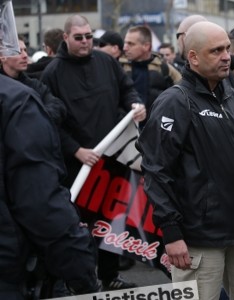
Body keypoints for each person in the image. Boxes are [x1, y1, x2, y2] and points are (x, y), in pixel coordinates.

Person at [137, 21, 234, 300]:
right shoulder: (174, 101)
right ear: (193, 57)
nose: (226, 56)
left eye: (227, 49)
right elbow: (156, 172)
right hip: (199, 238)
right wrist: (171, 234)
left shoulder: (231, 96)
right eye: (216, 51)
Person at [0, 2, 100, 298]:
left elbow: (58, 108)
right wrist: (82, 274)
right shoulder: (17, 102)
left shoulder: (25, 95)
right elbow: (39, 204)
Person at [41, 14, 146, 291]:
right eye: (79, 37)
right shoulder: (52, 73)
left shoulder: (107, 62)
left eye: (90, 36)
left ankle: (109, 276)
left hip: (112, 159)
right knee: (79, 228)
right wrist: (76, 150)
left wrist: (136, 104)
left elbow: (128, 90)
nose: (86, 42)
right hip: (77, 165)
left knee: (111, 222)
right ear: (65, 38)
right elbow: (50, 122)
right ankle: (82, 284)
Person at [1, 35, 66, 124]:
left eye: (25, 50)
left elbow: (57, 105)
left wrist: (35, 119)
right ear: (2, 56)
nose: (25, 55)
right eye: (18, 51)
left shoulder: (34, 85)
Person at [120, 25, 181, 112]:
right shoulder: (120, 67)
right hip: (128, 123)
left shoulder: (165, 68)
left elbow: (183, 94)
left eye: (130, 44)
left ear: (146, 46)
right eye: (125, 43)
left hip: (158, 123)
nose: (125, 48)